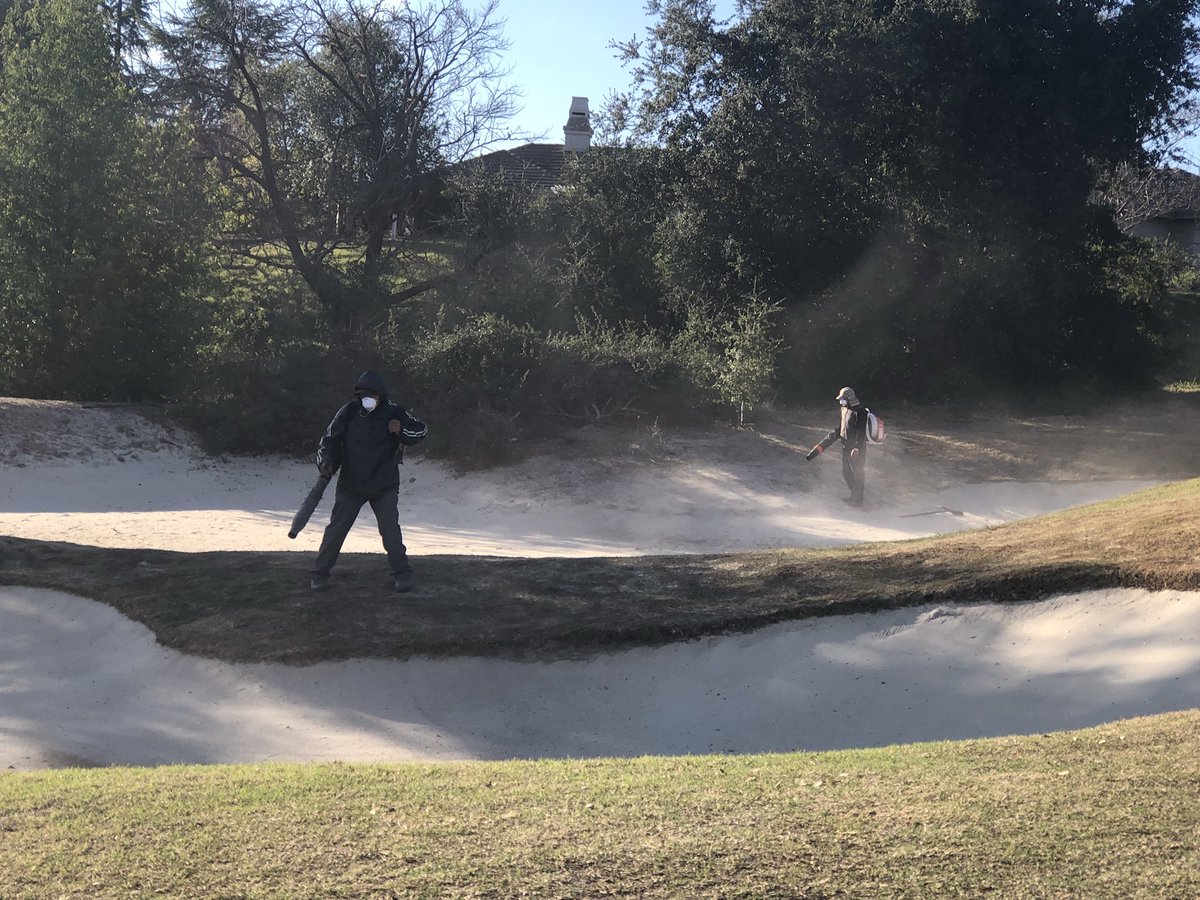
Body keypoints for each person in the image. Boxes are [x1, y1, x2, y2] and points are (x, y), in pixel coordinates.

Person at [310, 370, 427, 593]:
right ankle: (319, 575)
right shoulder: (349, 411)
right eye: (363, 394)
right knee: (336, 531)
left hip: (384, 485)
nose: (367, 399)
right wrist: (326, 462)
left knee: (390, 531)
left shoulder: (394, 412)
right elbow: (330, 441)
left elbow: (421, 431)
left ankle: (402, 575)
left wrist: (401, 430)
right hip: (351, 484)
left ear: (380, 395)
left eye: (371, 395)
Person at [805, 386, 868, 506]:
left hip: (856, 449)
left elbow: (861, 432)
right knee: (847, 473)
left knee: (858, 472)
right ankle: (853, 495)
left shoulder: (860, 412)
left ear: (849, 398)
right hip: (846, 447)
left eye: (843, 399)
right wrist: (825, 443)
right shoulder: (844, 410)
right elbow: (842, 428)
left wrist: (857, 448)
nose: (841, 401)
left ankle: (858, 500)